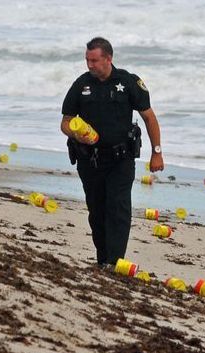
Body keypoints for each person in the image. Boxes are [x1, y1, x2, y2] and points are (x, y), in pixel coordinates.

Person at [61, 37, 164, 268]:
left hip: (121, 159)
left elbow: (149, 117)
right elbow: (66, 122)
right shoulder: (81, 85)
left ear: (108, 58)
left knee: (118, 209)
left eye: (94, 60)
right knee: (96, 212)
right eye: (87, 60)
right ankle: (103, 260)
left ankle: (116, 263)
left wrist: (156, 152)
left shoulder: (128, 82)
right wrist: (75, 134)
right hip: (90, 160)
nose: (89, 65)